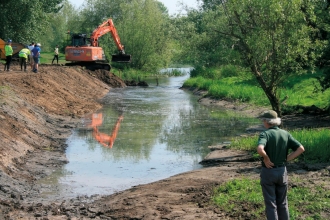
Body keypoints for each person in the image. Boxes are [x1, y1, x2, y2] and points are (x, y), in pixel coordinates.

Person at [257, 110, 305, 220]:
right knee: (283, 203)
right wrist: (287, 159)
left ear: (266, 121)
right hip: (282, 171)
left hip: (268, 172)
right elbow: (301, 149)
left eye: (263, 120)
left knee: (271, 204)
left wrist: (266, 158)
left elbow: (260, 149)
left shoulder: (265, 134)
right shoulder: (285, 134)